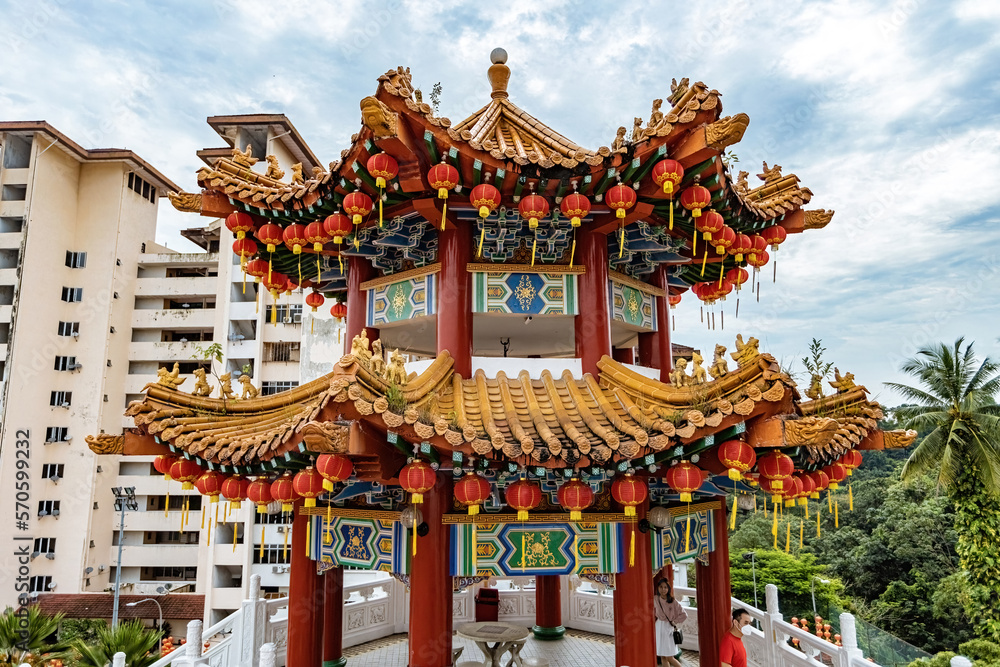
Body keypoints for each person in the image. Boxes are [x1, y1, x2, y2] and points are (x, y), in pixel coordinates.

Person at [653, 578, 687, 667]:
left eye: (665, 587)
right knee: (663, 656)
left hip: (668, 629)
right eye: (661, 587)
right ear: (658, 588)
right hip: (659, 627)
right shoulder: (655, 599)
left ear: (668, 589)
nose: (663, 589)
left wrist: (674, 621)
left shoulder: (673, 602)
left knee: (669, 657)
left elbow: (684, 614)